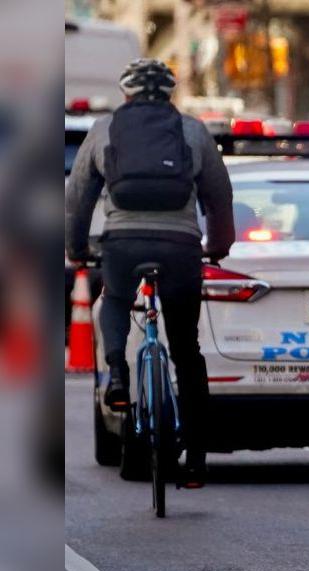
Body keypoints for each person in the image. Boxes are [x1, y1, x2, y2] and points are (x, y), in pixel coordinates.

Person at [65, 59, 235, 486]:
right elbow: (219, 193)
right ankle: (195, 460)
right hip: (180, 248)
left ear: (126, 93)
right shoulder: (193, 130)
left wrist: (77, 248)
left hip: (123, 243)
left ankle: (118, 374)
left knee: (115, 299)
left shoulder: (104, 129)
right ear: (170, 93)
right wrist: (218, 245)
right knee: (187, 352)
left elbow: (78, 195)